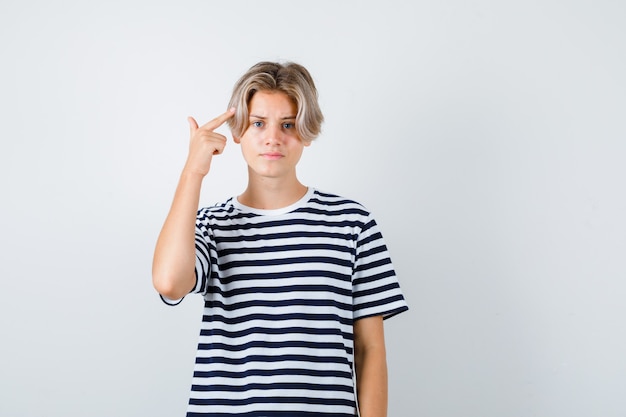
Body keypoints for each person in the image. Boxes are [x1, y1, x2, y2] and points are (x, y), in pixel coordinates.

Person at [152, 61, 408, 417]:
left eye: (287, 124)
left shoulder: (352, 223)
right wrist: (193, 171)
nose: (273, 137)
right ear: (238, 131)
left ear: (306, 130)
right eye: (258, 123)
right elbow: (169, 283)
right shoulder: (212, 224)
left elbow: (370, 349)